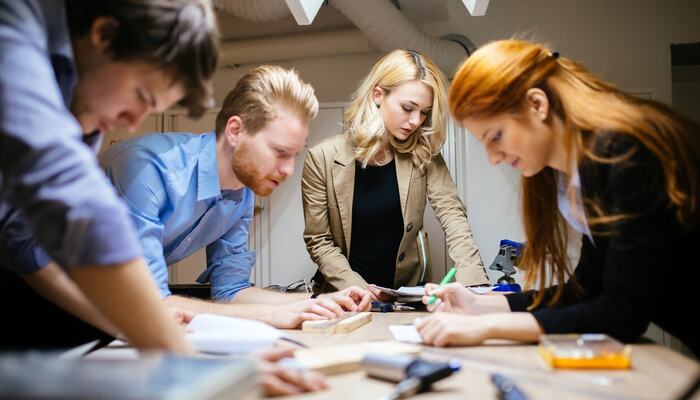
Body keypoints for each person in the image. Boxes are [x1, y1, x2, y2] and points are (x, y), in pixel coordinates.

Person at [416, 39, 700, 357]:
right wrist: (482, 305)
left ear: (537, 104)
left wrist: (483, 328)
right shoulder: (578, 172)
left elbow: (622, 313)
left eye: (496, 136)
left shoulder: (626, 153)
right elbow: (587, 290)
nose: (493, 157)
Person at [0, 0, 218, 353]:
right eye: (141, 96)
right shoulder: (14, 20)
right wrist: (184, 358)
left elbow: (21, 240)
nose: (133, 123)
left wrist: (131, 325)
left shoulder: (83, 104)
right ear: (104, 35)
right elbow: (78, 205)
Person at [98, 65, 371, 329]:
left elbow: (230, 290)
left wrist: (316, 302)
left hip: (120, 309)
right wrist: (278, 314)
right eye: (280, 151)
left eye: (294, 155)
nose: (289, 170)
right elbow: (152, 303)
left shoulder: (241, 195)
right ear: (235, 131)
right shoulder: (147, 168)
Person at [302, 49, 489, 299]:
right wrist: (357, 288)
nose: (416, 121)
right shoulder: (321, 158)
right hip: (344, 296)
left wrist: (475, 284)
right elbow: (319, 240)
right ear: (378, 95)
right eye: (408, 108)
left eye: (424, 112)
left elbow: (453, 216)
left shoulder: (424, 152)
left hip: (407, 295)